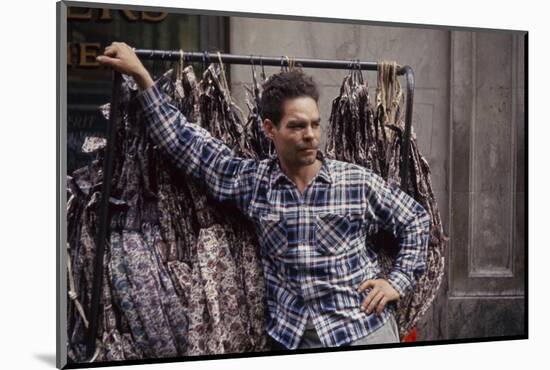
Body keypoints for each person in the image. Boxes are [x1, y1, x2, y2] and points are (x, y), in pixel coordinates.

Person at [96, 42, 431, 350]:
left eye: (315, 124)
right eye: (297, 126)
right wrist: (142, 77)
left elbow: (416, 220)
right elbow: (189, 146)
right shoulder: (255, 183)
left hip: (362, 333)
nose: (310, 135)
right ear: (270, 129)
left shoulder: (356, 182)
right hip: (293, 339)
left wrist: (396, 282)